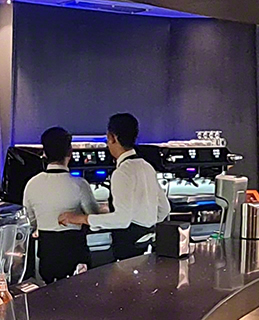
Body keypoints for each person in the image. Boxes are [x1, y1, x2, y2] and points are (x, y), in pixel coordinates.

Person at [60, 112, 170, 259]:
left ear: (112, 137)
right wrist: (146, 223)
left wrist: (79, 218)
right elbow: (164, 209)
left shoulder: (122, 172)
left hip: (128, 246)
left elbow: (122, 220)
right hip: (146, 243)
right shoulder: (147, 166)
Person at [21, 127, 98, 282]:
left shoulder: (32, 184)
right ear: (70, 152)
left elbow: (30, 222)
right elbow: (94, 219)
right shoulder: (80, 184)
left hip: (47, 256)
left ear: (44, 153)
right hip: (76, 256)